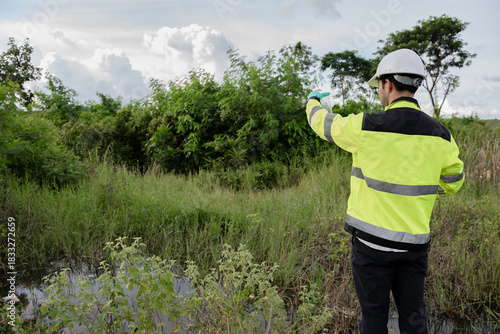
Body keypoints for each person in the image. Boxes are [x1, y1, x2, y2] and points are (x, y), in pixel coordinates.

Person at [305, 48, 464, 334]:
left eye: (378, 85)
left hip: (370, 248)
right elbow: (454, 181)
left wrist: (313, 102)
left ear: (387, 84)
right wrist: (422, 185)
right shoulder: (441, 135)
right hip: (414, 248)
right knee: (414, 316)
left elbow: (322, 124)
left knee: (374, 316)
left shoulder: (366, 126)